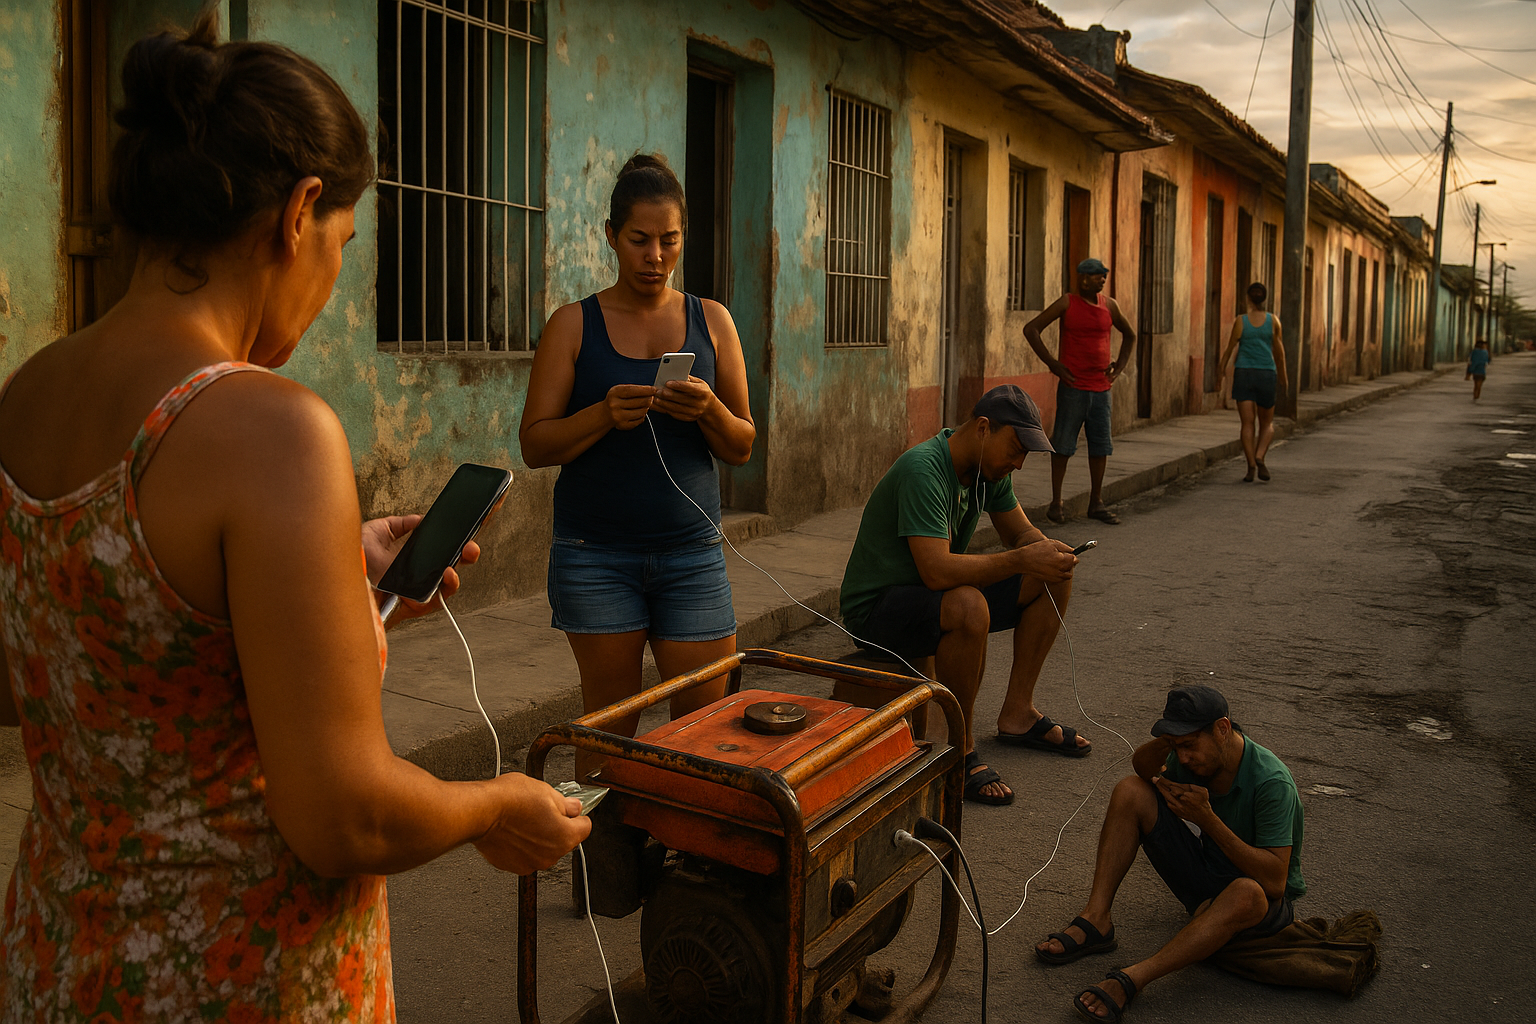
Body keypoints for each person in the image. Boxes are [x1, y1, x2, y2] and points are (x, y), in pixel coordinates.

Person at [0, 13, 589, 1020]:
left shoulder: (27, 395)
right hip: (240, 974)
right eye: (343, 241)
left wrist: (327, 584)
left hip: (62, 956)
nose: (331, 276)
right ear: (300, 209)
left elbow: (70, 677)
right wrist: (499, 805)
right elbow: (341, 815)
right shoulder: (273, 429)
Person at [519, 154, 755, 761]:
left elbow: (743, 445)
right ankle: (608, 855)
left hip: (692, 556)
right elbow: (535, 443)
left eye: (669, 240)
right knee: (608, 730)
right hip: (594, 556)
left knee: (707, 734)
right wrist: (602, 413)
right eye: (640, 240)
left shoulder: (713, 322)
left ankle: (686, 850)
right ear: (611, 237)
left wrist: (707, 410)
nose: (655, 257)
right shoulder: (573, 325)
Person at [839, 386, 1089, 807]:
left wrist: (1044, 550)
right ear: (984, 428)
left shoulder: (988, 472)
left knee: (1052, 577)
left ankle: (1017, 712)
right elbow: (936, 571)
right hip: (877, 612)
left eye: (1025, 454)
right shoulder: (925, 469)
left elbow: (1019, 532)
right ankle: (962, 745)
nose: (1019, 462)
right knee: (968, 604)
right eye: (1015, 448)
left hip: (929, 597)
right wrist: (1020, 560)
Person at [1034, 685, 1305, 1022]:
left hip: (1258, 900)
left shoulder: (1272, 782)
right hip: (1208, 876)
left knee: (1246, 892)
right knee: (1131, 791)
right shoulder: (1191, 756)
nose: (1184, 758)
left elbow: (1275, 882)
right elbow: (1141, 766)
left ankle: (1135, 978)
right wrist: (1171, 738)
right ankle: (1096, 920)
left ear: (1223, 729)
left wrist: (1207, 819)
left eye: (1189, 746)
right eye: (1178, 748)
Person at [1024, 258, 1137, 525]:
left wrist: (1118, 368)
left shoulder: (1110, 306)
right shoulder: (1068, 303)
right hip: (1073, 387)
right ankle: (1056, 504)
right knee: (1062, 445)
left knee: (1100, 447)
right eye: (1097, 276)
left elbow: (1130, 335)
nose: (1101, 281)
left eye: (1103, 277)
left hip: (1101, 389)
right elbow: (1032, 329)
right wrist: (1053, 364)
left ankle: (1096, 502)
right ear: (1083, 278)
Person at [1218, 283, 1290, 482]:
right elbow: (1280, 354)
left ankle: (1250, 464)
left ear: (1248, 298)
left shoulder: (1241, 321)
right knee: (1267, 424)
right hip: (1267, 374)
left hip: (1244, 374)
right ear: (1265, 299)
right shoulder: (1273, 321)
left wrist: (1220, 373)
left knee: (1247, 424)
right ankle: (1260, 457)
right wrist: (1284, 379)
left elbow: (1229, 348)